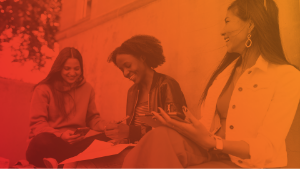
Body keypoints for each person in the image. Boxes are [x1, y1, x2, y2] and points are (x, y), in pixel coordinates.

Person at [121, 0, 300, 169]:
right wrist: (181, 126)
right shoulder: (224, 75)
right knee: (158, 137)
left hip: (246, 163)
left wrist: (215, 143)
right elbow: (205, 130)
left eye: (227, 21)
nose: (222, 31)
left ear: (251, 24)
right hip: (211, 151)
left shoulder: (287, 76)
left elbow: (267, 149)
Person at [26, 47, 115, 168]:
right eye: (67, 68)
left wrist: (107, 127)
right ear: (59, 68)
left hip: (76, 144)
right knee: (41, 140)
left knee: (110, 136)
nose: (72, 73)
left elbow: (92, 118)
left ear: (81, 69)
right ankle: (79, 161)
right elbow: (37, 125)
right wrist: (60, 136)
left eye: (76, 69)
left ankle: (64, 163)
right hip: (51, 143)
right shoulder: (43, 89)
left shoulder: (87, 89)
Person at [106, 35, 187, 143]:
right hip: (138, 148)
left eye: (128, 65)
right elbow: (134, 130)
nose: (125, 73)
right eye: (122, 69)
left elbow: (175, 129)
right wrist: (123, 138)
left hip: (161, 150)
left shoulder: (167, 85)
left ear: (142, 58)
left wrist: (131, 132)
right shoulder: (132, 92)